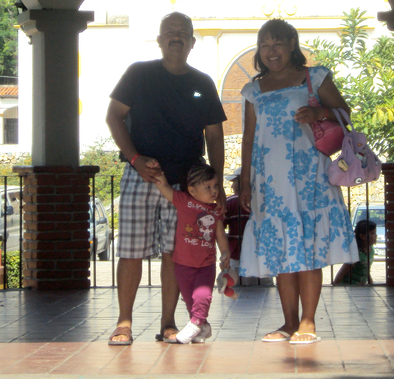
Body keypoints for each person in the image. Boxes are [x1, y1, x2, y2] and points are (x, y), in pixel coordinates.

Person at [105, 11, 227, 345]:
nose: (175, 37)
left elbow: (215, 136)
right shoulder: (138, 74)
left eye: (182, 33)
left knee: (176, 254)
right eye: (168, 32)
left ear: (192, 42)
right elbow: (113, 117)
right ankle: (124, 322)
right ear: (159, 40)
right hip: (140, 177)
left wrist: (216, 187)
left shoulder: (203, 83)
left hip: (187, 185)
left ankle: (169, 322)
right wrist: (134, 158)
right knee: (130, 251)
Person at [239, 18, 359, 345]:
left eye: (277, 43)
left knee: (309, 247)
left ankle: (308, 321)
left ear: (292, 44)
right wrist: (246, 182)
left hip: (311, 176)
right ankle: (288, 322)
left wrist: (319, 113)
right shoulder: (252, 91)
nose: (271, 51)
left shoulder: (314, 77)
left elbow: (345, 115)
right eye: (264, 45)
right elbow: (248, 138)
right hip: (269, 181)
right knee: (283, 252)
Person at [150, 162, 231, 343]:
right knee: (189, 299)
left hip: (206, 264)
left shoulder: (215, 211)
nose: (214, 191)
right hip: (182, 263)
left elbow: (220, 235)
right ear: (192, 191)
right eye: (207, 187)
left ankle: (195, 324)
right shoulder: (183, 201)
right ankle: (203, 326)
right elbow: (164, 187)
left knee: (202, 295)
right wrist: (158, 173)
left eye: (216, 186)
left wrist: (225, 254)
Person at [333, 220, 377, 285]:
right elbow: (341, 274)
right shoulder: (356, 253)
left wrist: (371, 283)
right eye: (373, 233)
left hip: (361, 286)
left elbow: (366, 269)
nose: (376, 236)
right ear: (362, 236)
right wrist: (335, 286)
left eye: (375, 233)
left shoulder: (371, 250)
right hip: (350, 286)